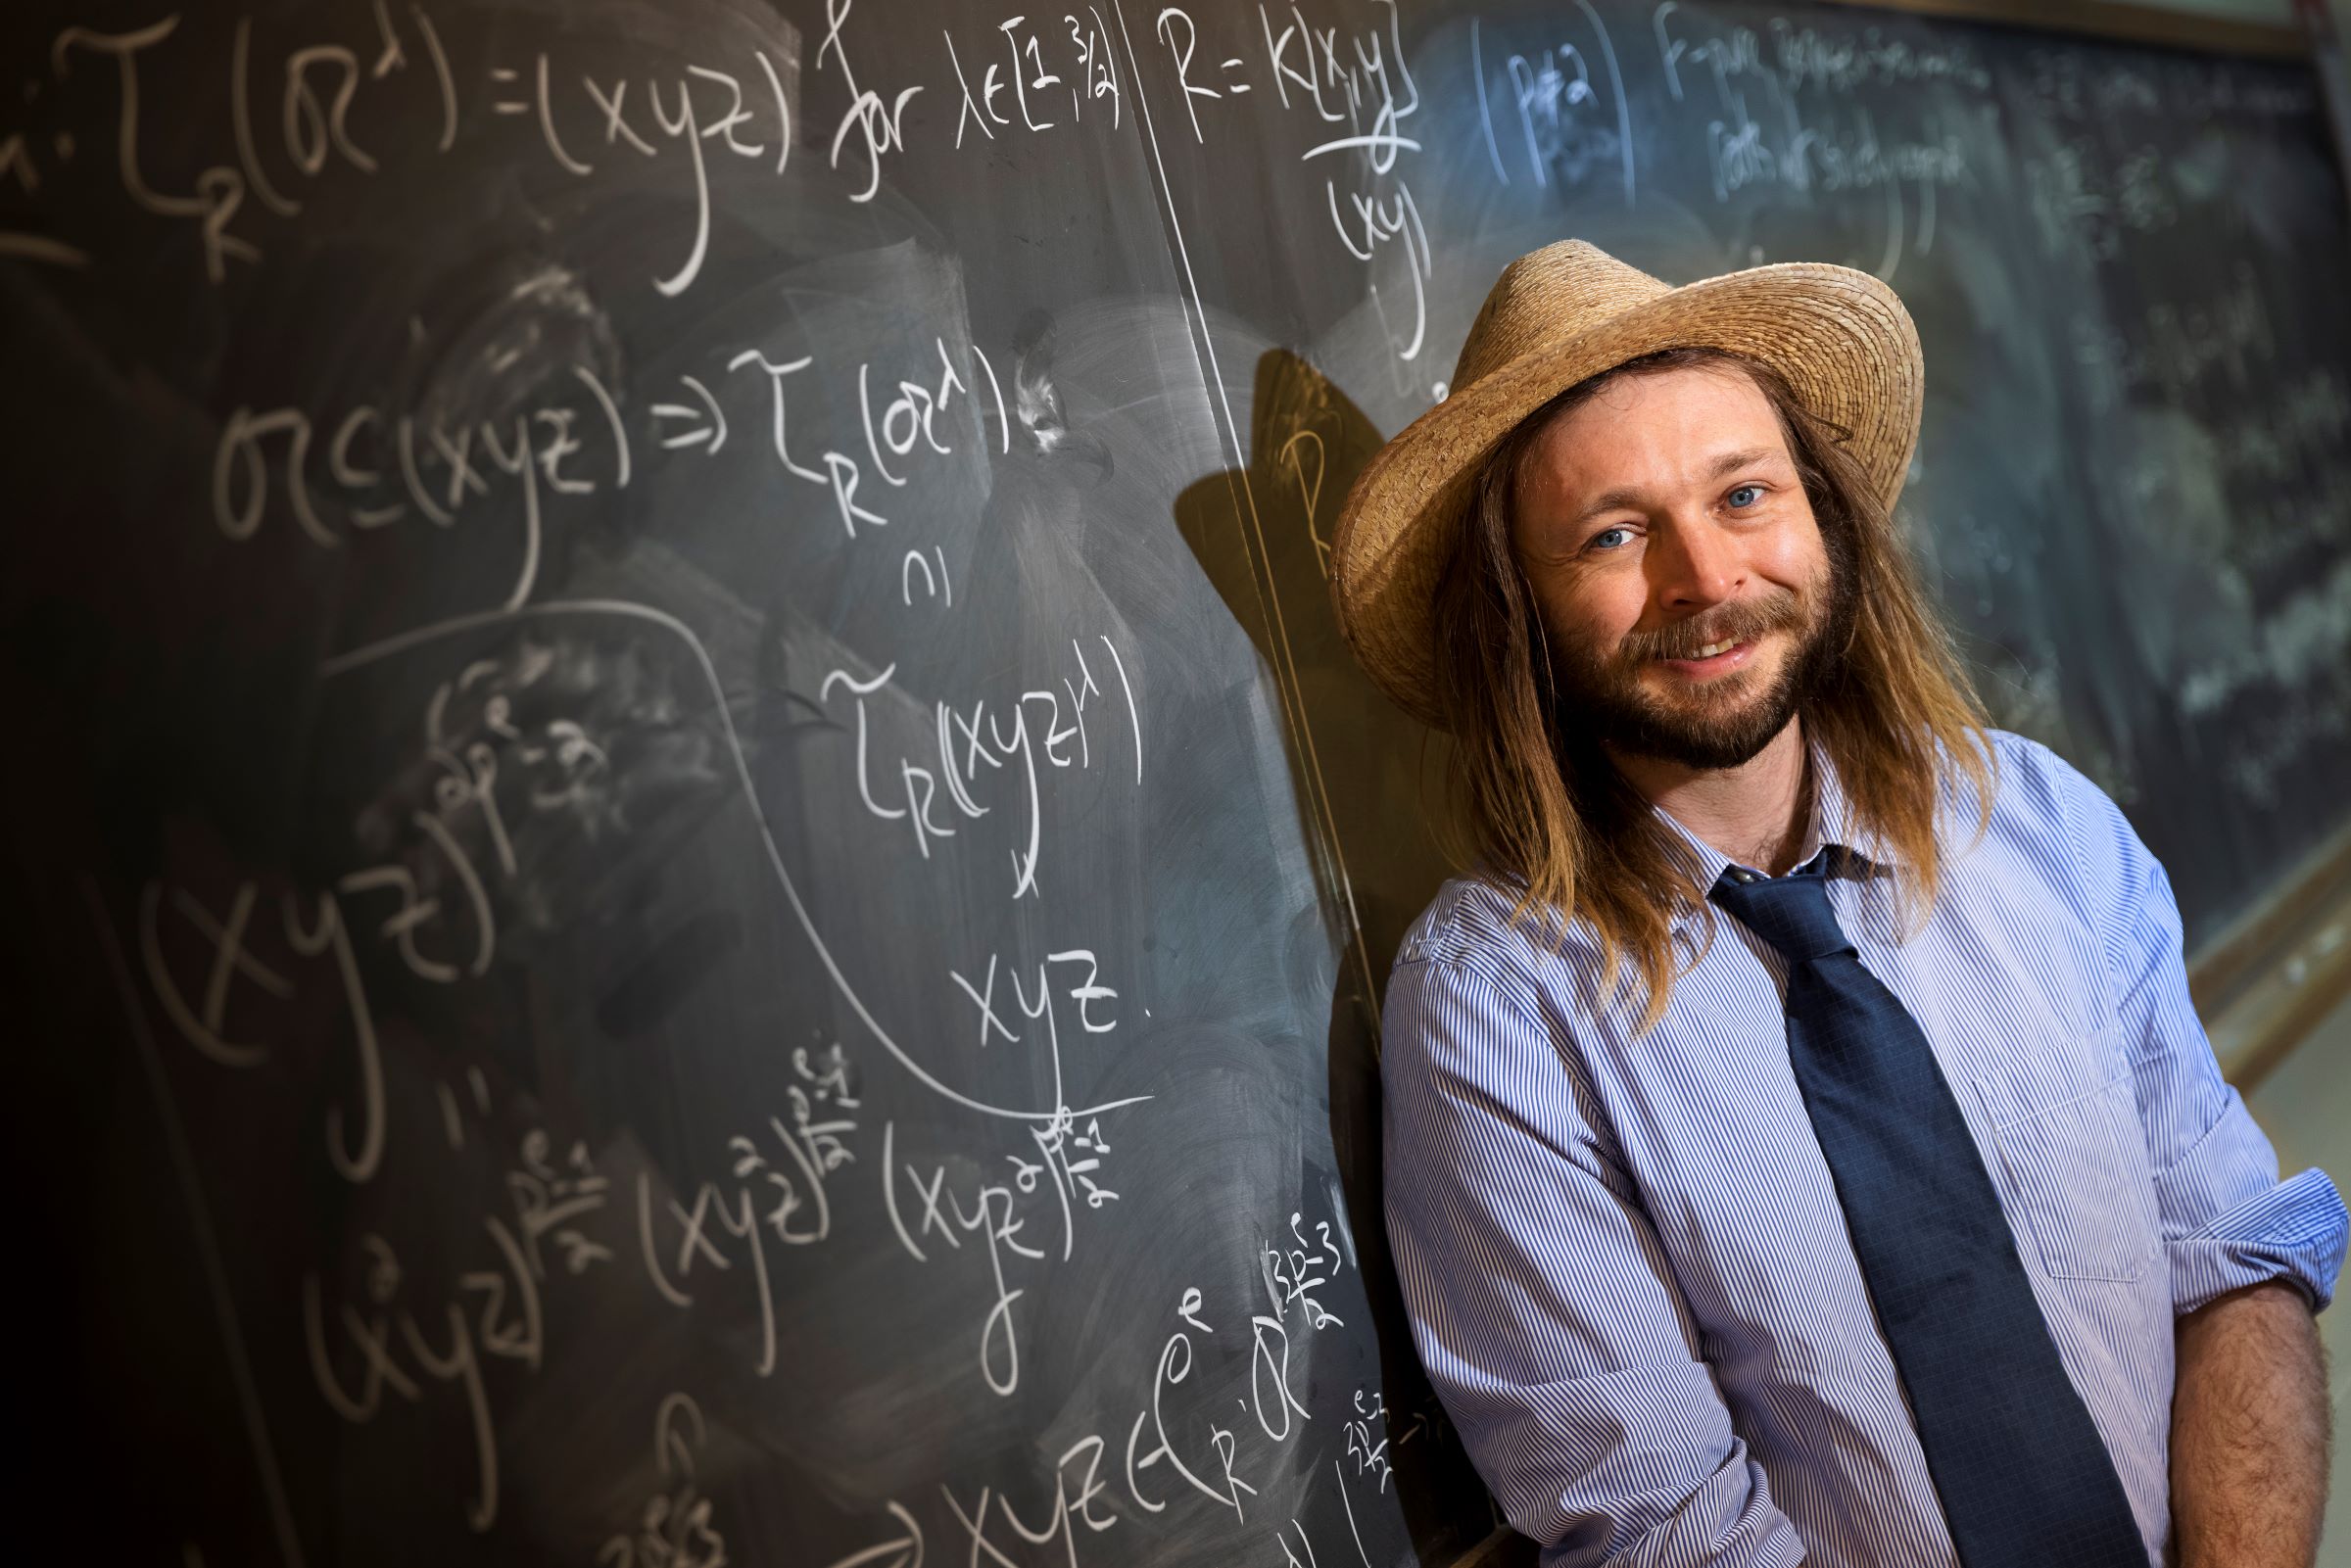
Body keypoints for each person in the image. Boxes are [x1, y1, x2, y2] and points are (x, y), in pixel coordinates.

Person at [1325, 239, 2346, 1568]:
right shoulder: (1496, 1014)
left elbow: (2232, 1255)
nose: (1706, 577)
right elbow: (1672, 1533)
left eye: (1742, 493)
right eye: (1616, 534)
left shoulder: (2035, 823)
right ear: (1519, 612)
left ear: (1820, 515)